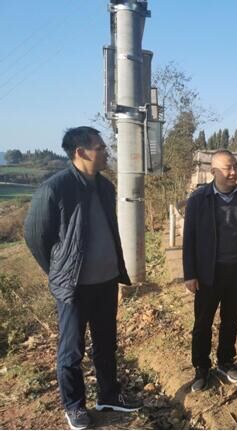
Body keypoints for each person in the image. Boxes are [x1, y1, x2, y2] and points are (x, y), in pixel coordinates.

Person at [24, 127, 140, 430]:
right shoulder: (55, 188)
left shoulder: (105, 186)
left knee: (106, 343)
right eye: (100, 147)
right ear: (80, 152)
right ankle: (74, 406)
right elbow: (35, 237)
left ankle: (108, 395)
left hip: (106, 282)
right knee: (71, 350)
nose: (106, 152)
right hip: (73, 287)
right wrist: (59, 271)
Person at [182, 149, 237, 393]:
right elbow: (189, 238)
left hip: (235, 270)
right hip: (208, 273)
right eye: (228, 167)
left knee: (231, 319)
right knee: (203, 322)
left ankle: (226, 361)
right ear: (213, 171)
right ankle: (201, 368)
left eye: (235, 166)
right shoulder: (199, 199)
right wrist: (190, 274)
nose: (233, 171)